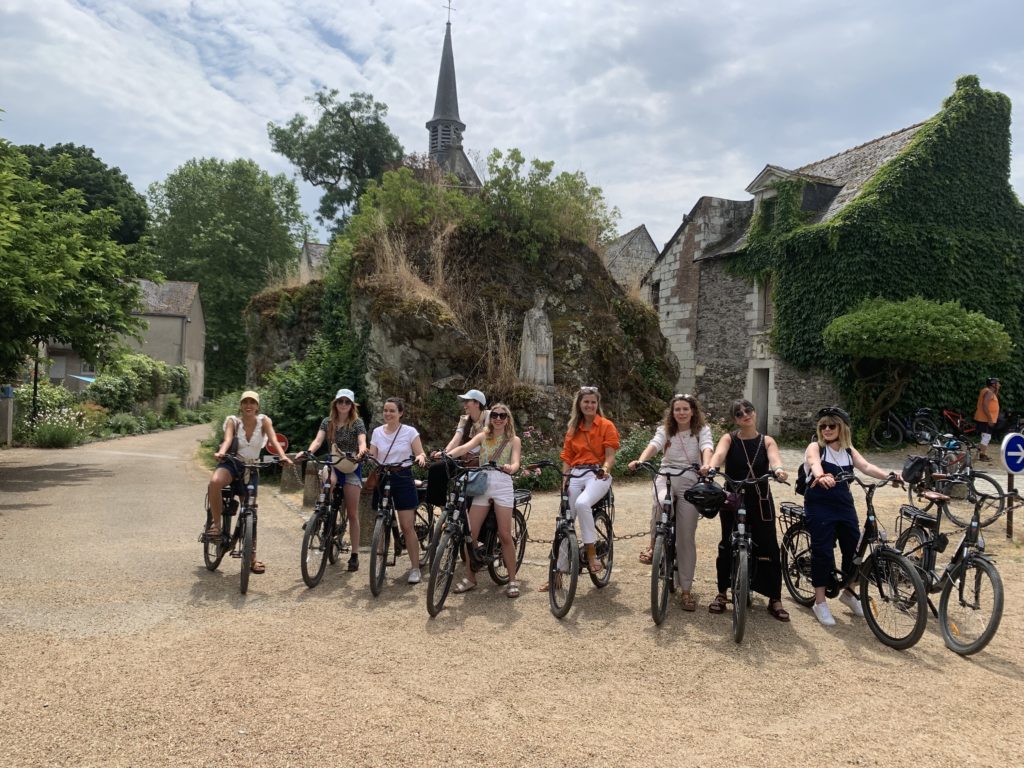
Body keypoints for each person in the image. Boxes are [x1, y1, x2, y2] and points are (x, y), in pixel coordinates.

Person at [802, 406, 901, 626]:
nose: (826, 429)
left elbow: (866, 466)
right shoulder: (816, 447)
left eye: (832, 425)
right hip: (820, 504)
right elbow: (813, 463)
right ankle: (820, 602)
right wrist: (821, 476)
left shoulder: (848, 450)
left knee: (854, 549)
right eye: (823, 426)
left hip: (843, 504)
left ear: (842, 428)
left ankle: (849, 592)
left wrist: (891, 476)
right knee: (823, 552)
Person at [701, 399, 789, 621]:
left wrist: (778, 470)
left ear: (755, 412)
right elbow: (719, 455)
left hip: (760, 498)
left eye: (748, 410)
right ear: (735, 419)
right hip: (733, 497)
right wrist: (711, 468)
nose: (745, 415)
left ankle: (774, 598)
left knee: (769, 546)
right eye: (739, 414)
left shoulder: (767, 440)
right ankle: (722, 593)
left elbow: (775, 459)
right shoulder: (729, 438)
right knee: (726, 543)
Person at [628, 394, 714, 611]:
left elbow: (707, 447)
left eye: (685, 409)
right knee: (660, 501)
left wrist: (707, 465)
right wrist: (641, 460)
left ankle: (686, 590)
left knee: (686, 537)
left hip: (690, 479)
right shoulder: (666, 429)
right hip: (665, 474)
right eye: (678, 409)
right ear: (672, 412)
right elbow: (655, 445)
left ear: (693, 411)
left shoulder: (701, 430)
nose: (682, 413)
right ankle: (653, 544)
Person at [539, 385, 620, 591]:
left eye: (593, 402)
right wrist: (564, 477)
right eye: (586, 402)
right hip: (576, 472)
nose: (590, 405)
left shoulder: (606, 425)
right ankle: (558, 573)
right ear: (580, 404)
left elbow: (610, 455)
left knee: (583, 503)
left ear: (597, 404)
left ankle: (592, 553)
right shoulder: (573, 429)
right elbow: (567, 457)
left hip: (598, 474)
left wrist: (605, 469)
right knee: (564, 521)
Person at [206, 390, 293, 574]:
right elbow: (228, 439)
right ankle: (216, 525)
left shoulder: (264, 421)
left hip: (252, 468)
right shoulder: (233, 421)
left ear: (257, 406)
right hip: (232, 463)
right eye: (245, 402)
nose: (248, 406)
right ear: (240, 405)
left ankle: (252, 558)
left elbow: (273, 439)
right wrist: (221, 452)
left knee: (251, 513)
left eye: (252, 402)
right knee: (215, 482)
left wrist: (283, 456)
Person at [444, 403, 523, 598]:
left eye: (502, 416)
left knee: (505, 534)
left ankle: (512, 579)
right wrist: (446, 455)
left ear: (507, 419)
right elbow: (464, 447)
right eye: (494, 415)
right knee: (470, 533)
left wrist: (511, 468)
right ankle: (471, 577)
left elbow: (516, 462)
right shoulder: (483, 436)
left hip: (502, 483)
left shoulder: (513, 439)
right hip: (482, 482)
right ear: (490, 417)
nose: (498, 418)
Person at [301, 388, 367, 572]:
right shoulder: (327, 422)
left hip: (351, 465)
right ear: (335, 404)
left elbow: (362, 442)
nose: (343, 405)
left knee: (353, 513)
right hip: (334, 463)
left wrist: (362, 450)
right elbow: (318, 440)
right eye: (340, 401)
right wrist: (309, 452)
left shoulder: (357, 423)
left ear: (352, 405)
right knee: (328, 481)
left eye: (347, 402)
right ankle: (320, 514)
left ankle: (354, 555)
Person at [368, 397, 428, 583]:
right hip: (383, 476)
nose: (388, 414)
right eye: (385, 410)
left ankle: (415, 567)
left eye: (392, 411)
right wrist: (368, 459)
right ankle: (379, 564)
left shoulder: (410, 432)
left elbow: (420, 452)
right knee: (381, 518)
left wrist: (420, 458)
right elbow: (373, 455)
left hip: (402, 476)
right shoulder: (377, 432)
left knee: (407, 525)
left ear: (400, 413)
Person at [426, 389, 489, 508]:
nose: (464, 405)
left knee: (470, 492)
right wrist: (444, 453)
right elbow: (456, 440)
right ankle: (444, 508)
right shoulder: (465, 420)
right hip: (464, 456)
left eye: (467, 401)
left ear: (477, 403)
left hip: (482, 459)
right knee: (437, 468)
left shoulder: (490, 416)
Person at [974, 377, 1001, 462]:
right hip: (985, 419)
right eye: (998, 383)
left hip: (984, 418)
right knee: (986, 437)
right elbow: (985, 406)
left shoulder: (988, 391)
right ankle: (982, 455)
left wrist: (996, 390)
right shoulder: (989, 392)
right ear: (993, 384)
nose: (999, 385)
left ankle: (981, 453)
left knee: (985, 436)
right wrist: (989, 419)